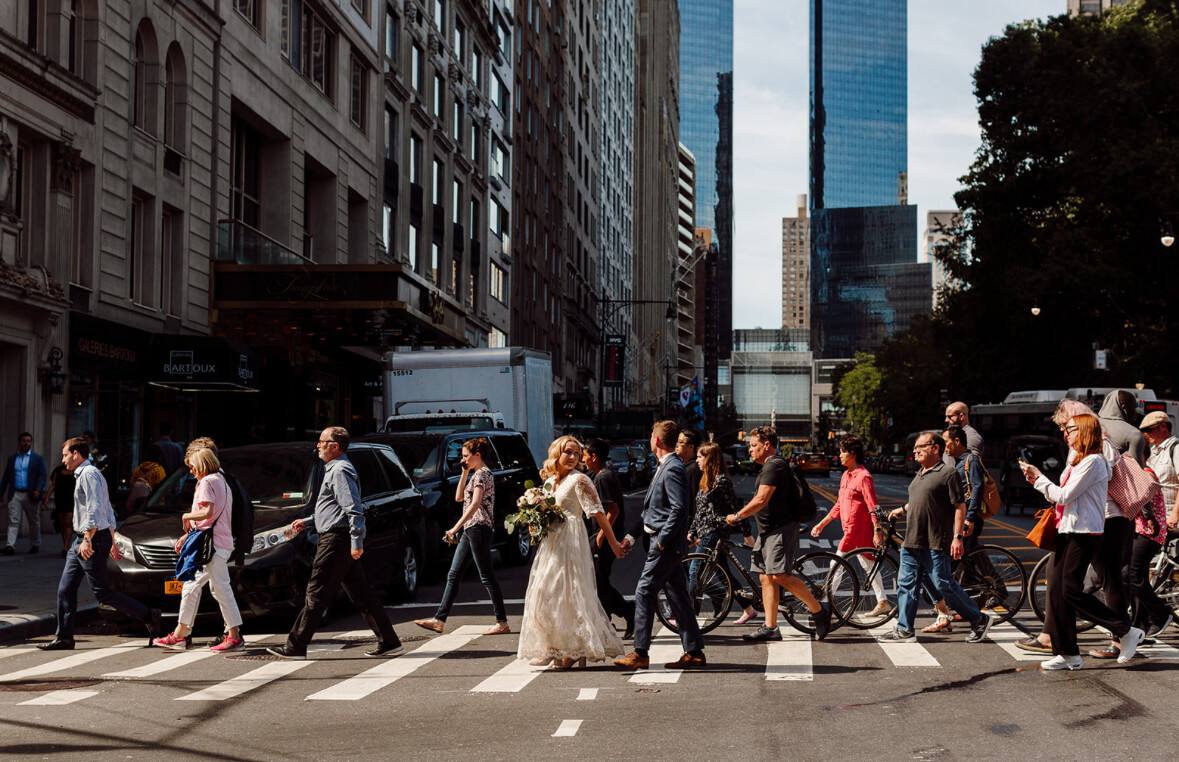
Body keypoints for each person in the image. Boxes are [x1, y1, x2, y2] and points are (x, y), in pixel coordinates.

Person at [267, 427, 403, 659]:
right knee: (361, 594)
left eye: (322, 441)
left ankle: (296, 645)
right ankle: (389, 641)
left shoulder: (340, 470)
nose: (317, 445)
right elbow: (334, 508)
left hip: (336, 540)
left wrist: (356, 541)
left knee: (316, 592)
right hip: (337, 537)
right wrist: (309, 521)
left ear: (335, 446)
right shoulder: (333, 469)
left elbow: (353, 509)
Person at [1021, 412, 1144, 670]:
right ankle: (1067, 653)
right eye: (1065, 429)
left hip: (1084, 533)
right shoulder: (1077, 460)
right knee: (1057, 590)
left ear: (1087, 431)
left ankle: (1125, 630)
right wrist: (1040, 482)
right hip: (1068, 529)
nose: (1066, 433)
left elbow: (1064, 495)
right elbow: (1062, 497)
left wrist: (1038, 479)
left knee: (1069, 589)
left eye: (1072, 429)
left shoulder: (1094, 462)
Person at [39, 437, 160, 651]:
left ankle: (148, 615)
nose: (63, 459)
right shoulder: (87, 474)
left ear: (77, 454)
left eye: (65, 454)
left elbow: (95, 509)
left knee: (101, 592)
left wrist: (89, 539)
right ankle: (64, 637)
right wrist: (111, 539)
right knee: (65, 589)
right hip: (83, 539)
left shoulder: (89, 475)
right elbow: (108, 510)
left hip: (90, 539)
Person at [517, 436, 626, 669]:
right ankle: (553, 647)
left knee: (569, 594)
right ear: (557, 453)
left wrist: (614, 543)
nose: (573, 457)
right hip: (550, 543)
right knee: (544, 593)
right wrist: (533, 520)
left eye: (577, 453)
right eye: (568, 452)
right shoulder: (548, 482)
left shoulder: (580, 480)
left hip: (571, 541)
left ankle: (575, 649)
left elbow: (599, 514)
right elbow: (543, 511)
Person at [878, 432, 994, 645]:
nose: (916, 451)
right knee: (906, 585)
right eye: (915, 448)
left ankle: (979, 619)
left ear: (935, 448)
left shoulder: (947, 473)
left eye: (920, 447)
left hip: (935, 540)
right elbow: (920, 500)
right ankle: (905, 629)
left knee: (943, 584)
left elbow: (960, 506)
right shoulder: (920, 473)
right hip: (912, 540)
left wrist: (957, 537)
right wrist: (901, 510)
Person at [724, 426, 832, 642]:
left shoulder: (775, 465)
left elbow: (762, 499)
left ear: (767, 444)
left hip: (780, 529)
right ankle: (771, 627)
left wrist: (737, 516)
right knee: (766, 577)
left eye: (754, 445)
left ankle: (819, 611)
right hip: (767, 531)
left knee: (780, 575)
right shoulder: (768, 466)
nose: (750, 450)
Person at [615, 421, 707, 670]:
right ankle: (694, 651)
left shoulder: (672, 468)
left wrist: (664, 539)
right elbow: (652, 510)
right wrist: (633, 537)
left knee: (644, 591)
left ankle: (640, 652)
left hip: (664, 543)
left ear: (656, 440)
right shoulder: (666, 466)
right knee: (678, 595)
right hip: (660, 539)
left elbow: (679, 508)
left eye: (651, 435)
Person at [414, 437, 510, 636]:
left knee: (486, 576)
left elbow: (475, 504)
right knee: (454, 574)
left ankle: (502, 622)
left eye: (466, 456)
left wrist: (455, 527)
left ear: (478, 455)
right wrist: (464, 472)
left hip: (479, 527)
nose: (463, 459)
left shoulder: (483, 474)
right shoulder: (474, 474)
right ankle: (439, 620)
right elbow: (459, 498)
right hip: (471, 528)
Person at [152, 447, 244, 652]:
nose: (191, 471)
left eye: (193, 467)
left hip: (212, 546)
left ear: (201, 465)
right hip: (219, 543)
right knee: (193, 586)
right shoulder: (222, 481)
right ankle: (181, 634)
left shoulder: (206, 482)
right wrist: (188, 535)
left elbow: (207, 512)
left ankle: (234, 635)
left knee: (220, 588)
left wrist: (186, 517)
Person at [810, 435, 889, 619]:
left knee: (836, 563)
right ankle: (883, 601)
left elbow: (873, 506)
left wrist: (877, 530)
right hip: (850, 528)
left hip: (857, 529)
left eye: (842, 451)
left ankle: (824, 606)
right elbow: (839, 504)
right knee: (867, 564)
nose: (839, 455)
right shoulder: (846, 475)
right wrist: (822, 524)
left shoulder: (864, 477)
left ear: (852, 454)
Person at [687, 442, 757, 625]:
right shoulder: (705, 480)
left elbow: (735, 508)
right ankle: (748, 608)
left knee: (695, 572)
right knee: (723, 573)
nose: (697, 461)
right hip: (705, 531)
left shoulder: (722, 481)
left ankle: (689, 616)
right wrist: (692, 530)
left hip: (714, 532)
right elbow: (700, 510)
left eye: (700, 457)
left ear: (709, 459)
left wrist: (747, 533)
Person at [583, 439, 636, 638]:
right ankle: (615, 617)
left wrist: (601, 537)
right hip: (604, 536)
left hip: (604, 537)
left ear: (594, 456)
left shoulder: (603, 478)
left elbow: (613, 510)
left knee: (598, 581)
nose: (583, 459)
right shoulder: (601, 475)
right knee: (598, 581)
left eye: (585, 455)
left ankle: (618, 616)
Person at [1126, 466, 1173, 637]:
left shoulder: (1145, 473)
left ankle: (1161, 613)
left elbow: (1142, 499)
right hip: (1140, 530)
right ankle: (1140, 626)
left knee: (1133, 575)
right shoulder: (1138, 472)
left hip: (1148, 532)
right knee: (1134, 577)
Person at [1, 432, 47, 554]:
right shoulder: (12, 459)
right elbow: (6, 477)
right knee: (13, 520)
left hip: (31, 494)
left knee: (33, 521)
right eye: (23, 441)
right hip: (15, 493)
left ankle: (35, 544)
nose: (26, 443)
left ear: (31, 443)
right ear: (19, 442)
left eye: (28, 441)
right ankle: (10, 546)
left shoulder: (37, 459)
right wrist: (1, 493)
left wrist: (38, 489)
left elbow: (42, 476)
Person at [1140, 411, 1179, 529]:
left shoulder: (1176, 448)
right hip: (1158, 519)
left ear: (1163, 427)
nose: (1146, 433)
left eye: (1149, 429)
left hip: (1171, 519)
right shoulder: (1153, 452)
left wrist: (1175, 515)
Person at [43, 463, 75, 557]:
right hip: (60, 499)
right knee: (62, 524)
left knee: (68, 522)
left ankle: (66, 547)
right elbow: (53, 485)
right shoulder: (58, 470)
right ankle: (65, 544)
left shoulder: (76, 469)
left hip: (71, 500)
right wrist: (46, 497)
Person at [943, 402, 983, 467]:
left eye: (949, 417)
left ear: (961, 416)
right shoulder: (953, 433)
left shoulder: (972, 437)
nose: (946, 420)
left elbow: (971, 464)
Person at [677, 429, 702, 519]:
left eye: (680, 442)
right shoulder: (685, 466)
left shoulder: (693, 469)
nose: (677, 445)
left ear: (691, 447)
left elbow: (694, 500)